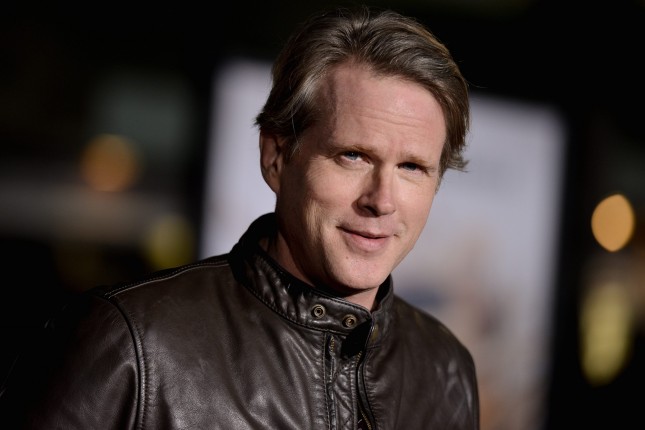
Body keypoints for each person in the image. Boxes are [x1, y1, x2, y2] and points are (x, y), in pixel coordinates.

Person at [0, 4, 479, 429]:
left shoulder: (446, 370)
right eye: (352, 155)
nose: (382, 200)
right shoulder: (131, 346)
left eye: (412, 167)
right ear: (276, 156)